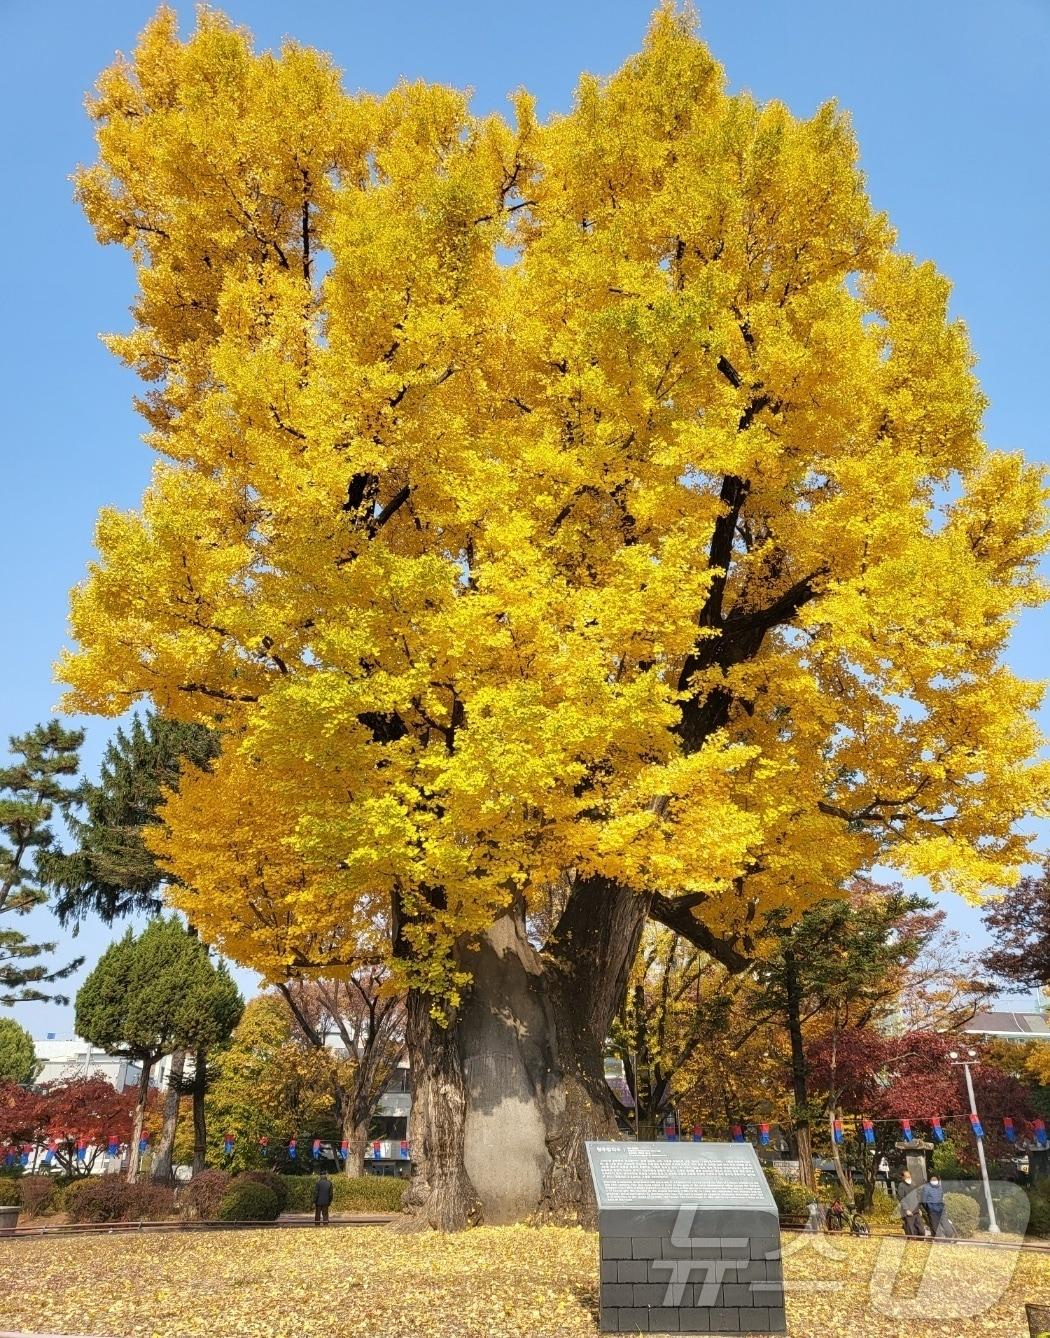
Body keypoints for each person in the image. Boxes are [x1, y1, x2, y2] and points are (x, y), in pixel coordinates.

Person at [896, 1170, 924, 1238]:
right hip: (908, 1212)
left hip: (916, 1211)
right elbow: (901, 1199)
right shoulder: (901, 1186)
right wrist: (906, 1210)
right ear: (903, 1177)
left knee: (921, 1230)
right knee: (911, 1232)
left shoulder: (913, 1184)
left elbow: (917, 1197)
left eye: (909, 1176)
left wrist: (919, 1209)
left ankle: (921, 1242)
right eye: (906, 1176)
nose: (908, 1178)